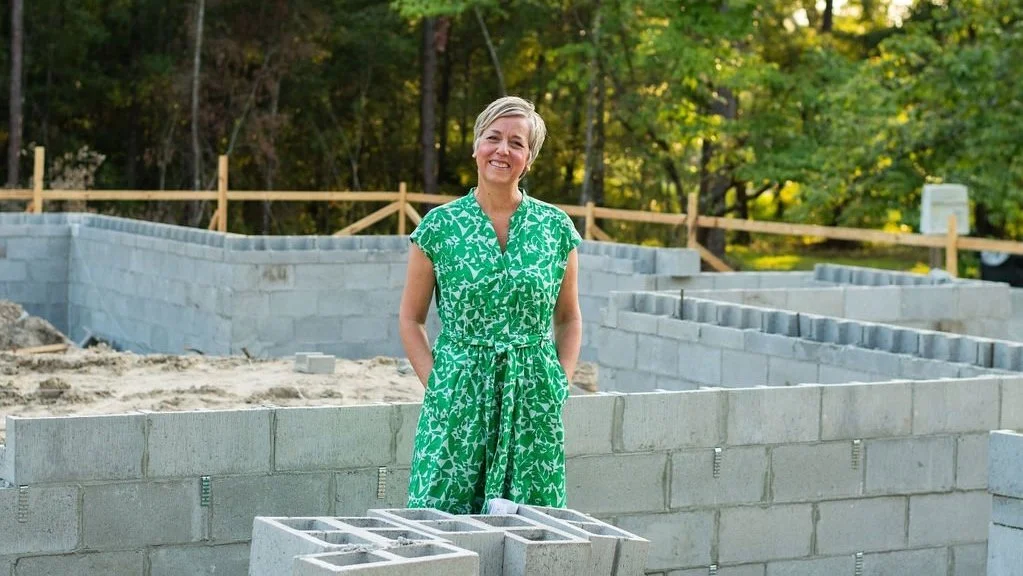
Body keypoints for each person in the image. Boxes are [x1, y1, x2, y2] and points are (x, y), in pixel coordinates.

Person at [398, 95, 583, 514]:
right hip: (457, 395)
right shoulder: (439, 226)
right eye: (493, 137)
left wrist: (559, 384)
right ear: (476, 146)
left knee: (532, 525)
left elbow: (569, 318)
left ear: (528, 159)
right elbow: (410, 318)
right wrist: (439, 386)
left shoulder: (555, 228)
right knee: (441, 516)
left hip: (532, 397)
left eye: (517, 143)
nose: (502, 150)